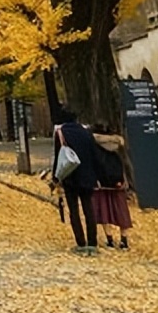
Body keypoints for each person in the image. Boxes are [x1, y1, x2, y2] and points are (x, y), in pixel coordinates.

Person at [51, 108, 100, 253]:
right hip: (87, 174)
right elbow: (94, 154)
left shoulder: (61, 133)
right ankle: (92, 241)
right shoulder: (86, 132)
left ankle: (80, 242)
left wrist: (55, 177)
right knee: (88, 208)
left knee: (73, 209)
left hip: (70, 175)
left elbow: (58, 157)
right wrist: (98, 174)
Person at [91, 125, 134, 249]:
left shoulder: (95, 145)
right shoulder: (119, 145)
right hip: (118, 182)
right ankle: (124, 240)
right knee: (121, 210)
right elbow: (125, 164)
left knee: (103, 209)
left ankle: (109, 239)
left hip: (101, 183)